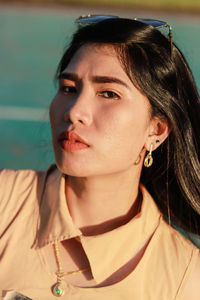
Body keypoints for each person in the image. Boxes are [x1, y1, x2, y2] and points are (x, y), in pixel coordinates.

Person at [0, 15, 200, 300]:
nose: (74, 111)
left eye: (108, 93)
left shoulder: (185, 281)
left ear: (156, 130)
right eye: (69, 88)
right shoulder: (6, 205)